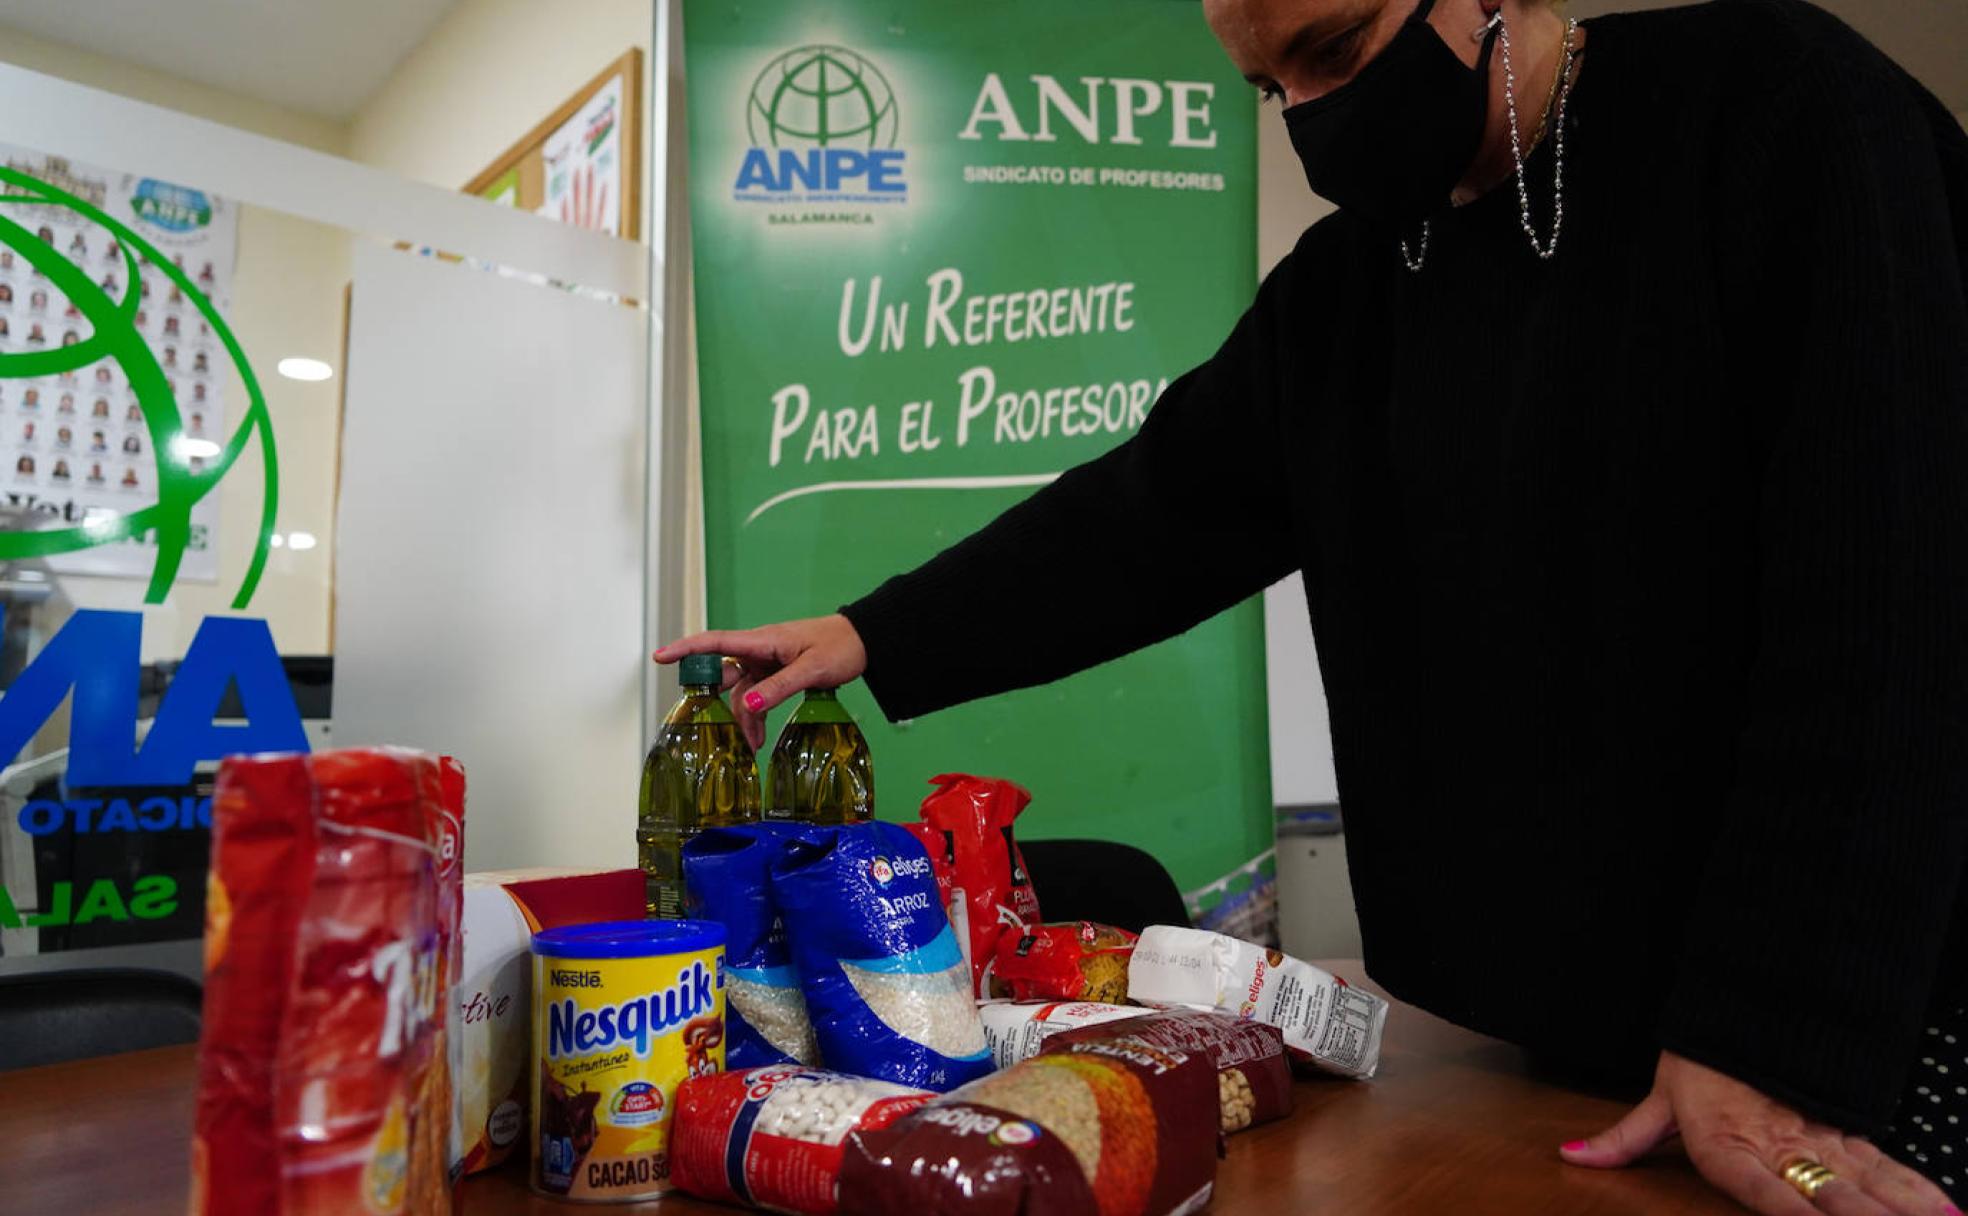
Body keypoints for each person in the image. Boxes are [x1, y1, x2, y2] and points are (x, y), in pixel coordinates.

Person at [656, 1, 1968, 1212]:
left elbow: (1888, 619)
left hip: (1833, 1040)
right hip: (1565, 1050)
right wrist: (880, 633)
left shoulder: (1783, 116)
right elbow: (1144, 518)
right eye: (1268, 82)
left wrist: (1772, 1031)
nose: (1312, 114)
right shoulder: (1347, 292)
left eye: (1335, 49)